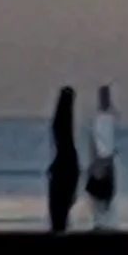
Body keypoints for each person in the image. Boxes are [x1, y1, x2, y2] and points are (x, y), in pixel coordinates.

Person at [47, 85, 81, 233]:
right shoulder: (67, 148)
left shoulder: (66, 148)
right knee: (59, 215)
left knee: (59, 213)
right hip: (65, 168)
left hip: (64, 170)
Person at [85, 84, 118, 227]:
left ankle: (101, 222)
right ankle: (102, 222)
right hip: (103, 162)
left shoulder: (103, 118)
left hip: (103, 162)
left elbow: (96, 144)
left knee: (101, 200)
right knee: (103, 200)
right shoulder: (103, 118)